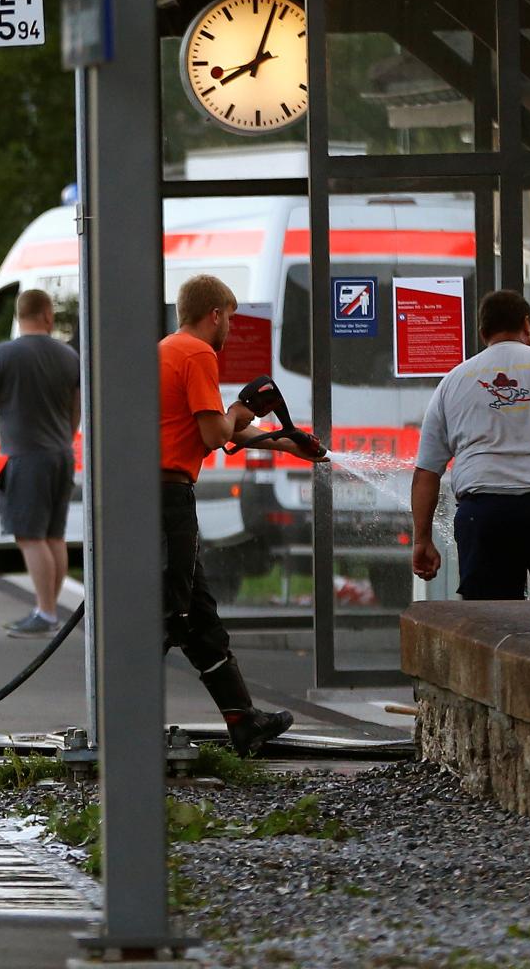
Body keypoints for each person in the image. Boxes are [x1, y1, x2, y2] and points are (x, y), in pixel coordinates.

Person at [163, 274, 325, 754]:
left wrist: (288, 443)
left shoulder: (168, 350)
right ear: (214, 314)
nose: (231, 328)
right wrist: (242, 407)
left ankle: (243, 721)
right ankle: (122, 716)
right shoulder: (197, 354)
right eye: (229, 318)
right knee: (170, 612)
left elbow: (220, 432)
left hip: (157, 494)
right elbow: (217, 434)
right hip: (169, 498)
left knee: (199, 616)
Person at [411, 289, 530, 599]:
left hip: (484, 516)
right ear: (527, 325)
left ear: (483, 332)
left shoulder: (453, 382)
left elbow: (426, 473)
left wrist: (422, 540)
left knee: (491, 626)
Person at [0, 288, 81, 638]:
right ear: (47, 315)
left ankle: (45, 613)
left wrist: (3, 400)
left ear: (20, 316)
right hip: (62, 454)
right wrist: (64, 434)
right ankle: (48, 607)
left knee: (30, 537)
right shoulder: (69, 356)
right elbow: (77, 408)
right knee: (54, 536)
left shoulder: (5, 354)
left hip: (27, 455)